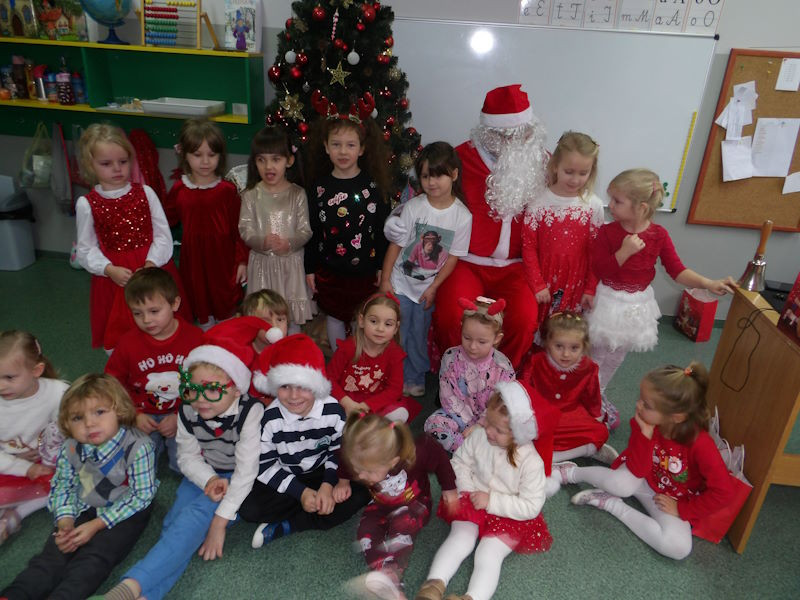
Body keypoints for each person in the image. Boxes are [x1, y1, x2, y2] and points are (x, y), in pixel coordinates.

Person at [102, 317, 265, 600]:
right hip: (203, 473)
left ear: (237, 388)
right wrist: (208, 479)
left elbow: (247, 471)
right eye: (192, 389)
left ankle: (131, 586)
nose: (200, 399)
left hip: (240, 481)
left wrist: (220, 522)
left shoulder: (251, 411)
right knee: (174, 526)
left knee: (192, 520)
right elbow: (187, 457)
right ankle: (148, 596)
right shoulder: (188, 409)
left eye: (212, 389)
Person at [385, 85, 548, 368]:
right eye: (500, 133)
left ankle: (500, 377)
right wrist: (396, 219)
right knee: (451, 315)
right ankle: (456, 375)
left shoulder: (542, 162)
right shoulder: (458, 159)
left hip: (517, 267)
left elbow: (566, 197)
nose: (508, 141)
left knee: (523, 319)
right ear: (486, 130)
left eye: (516, 133)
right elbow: (423, 195)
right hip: (465, 261)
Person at [551, 363, 737, 560]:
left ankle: (610, 504)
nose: (638, 405)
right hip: (640, 476)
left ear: (676, 417)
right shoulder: (646, 420)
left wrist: (682, 509)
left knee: (679, 548)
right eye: (640, 398)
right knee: (620, 485)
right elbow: (637, 468)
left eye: (647, 405)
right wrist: (645, 436)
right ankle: (571, 472)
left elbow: (724, 492)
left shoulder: (701, 444)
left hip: (672, 497)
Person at [1, 374, 157, 600]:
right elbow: (62, 484)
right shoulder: (71, 447)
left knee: (93, 560)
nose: (89, 423)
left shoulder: (139, 446)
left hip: (125, 510)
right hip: (85, 504)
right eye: (77, 418)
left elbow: (141, 496)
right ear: (66, 423)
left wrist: (96, 525)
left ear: (119, 411)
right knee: (51, 557)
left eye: (99, 412)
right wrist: (65, 521)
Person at [588, 168, 736, 393]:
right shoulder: (607, 232)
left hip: (636, 305)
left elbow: (677, 271)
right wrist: (624, 252)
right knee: (596, 355)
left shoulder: (659, 235)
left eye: (617, 201)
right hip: (608, 301)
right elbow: (599, 269)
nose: (610, 205)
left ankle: (599, 392)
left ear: (641, 208)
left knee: (616, 357)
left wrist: (708, 283)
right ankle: (585, 393)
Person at [416, 381, 552, 600]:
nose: (488, 430)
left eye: (498, 430)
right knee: (461, 538)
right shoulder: (480, 435)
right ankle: (433, 585)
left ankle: (473, 597)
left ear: (518, 434)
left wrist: (492, 501)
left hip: (510, 514)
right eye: (488, 421)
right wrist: (468, 491)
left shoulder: (531, 462)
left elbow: (531, 505)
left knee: (488, 554)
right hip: (473, 498)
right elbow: (459, 463)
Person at [239, 334, 371, 547]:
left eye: (302, 386)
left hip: (323, 471)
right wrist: (300, 493)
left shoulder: (333, 411)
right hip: (287, 474)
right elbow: (265, 465)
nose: (293, 396)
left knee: (363, 491)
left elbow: (339, 451)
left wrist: (328, 484)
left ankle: (292, 524)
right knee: (249, 508)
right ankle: (312, 504)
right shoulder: (269, 419)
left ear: (316, 386)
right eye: (285, 386)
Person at [75, 123, 190, 352]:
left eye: (123, 161)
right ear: (90, 165)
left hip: (152, 268)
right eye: (106, 164)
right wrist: (108, 269)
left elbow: (162, 234)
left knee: (165, 324)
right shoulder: (87, 204)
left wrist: (152, 263)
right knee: (124, 334)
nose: (117, 169)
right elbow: (85, 249)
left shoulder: (145, 192)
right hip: (116, 278)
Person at [380, 142, 472, 398]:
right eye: (425, 176)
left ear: (454, 174)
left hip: (425, 289)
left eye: (438, 175)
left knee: (418, 334)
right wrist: (385, 280)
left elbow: (452, 258)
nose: (431, 182)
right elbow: (396, 246)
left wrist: (434, 287)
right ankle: (393, 376)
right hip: (400, 283)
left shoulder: (462, 216)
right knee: (396, 331)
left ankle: (414, 376)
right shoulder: (414, 207)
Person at [339, 412, 458, 600]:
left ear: (393, 461)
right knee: (365, 530)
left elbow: (439, 457)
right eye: (358, 469)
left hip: (415, 504)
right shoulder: (360, 456)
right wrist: (343, 481)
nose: (361, 476)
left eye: (368, 471)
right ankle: (383, 574)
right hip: (380, 503)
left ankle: (392, 578)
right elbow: (345, 459)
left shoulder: (416, 453)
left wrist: (449, 489)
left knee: (401, 530)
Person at [305, 106, 391, 351]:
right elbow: (312, 230)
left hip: (365, 271)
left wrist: (381, 267)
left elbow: (382, 232)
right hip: (330, 271)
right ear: (326, 147)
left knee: (360, 318)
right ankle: (338, 359)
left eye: (350, 145)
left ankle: (358, 361)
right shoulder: (318, 188)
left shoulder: (373, 187)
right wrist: (309, 268)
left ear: (361, 149)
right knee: (334, 316)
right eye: (336, 144)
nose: (343, 151)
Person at [104, 267, 203, 471]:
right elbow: (112, 384)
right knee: (139, 466)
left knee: (184, 466)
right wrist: (134, 414)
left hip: (184, 411)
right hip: (142, 414)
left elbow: (204, 384)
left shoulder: (196, 339)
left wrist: (181, 415)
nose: (147, 320)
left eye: (154, 311)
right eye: (137, 313)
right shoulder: (128, 343)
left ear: (175, 304)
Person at [519, 313, 618, 496]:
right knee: (525, 435)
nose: (566, 354)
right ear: (547, 342)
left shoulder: (589, 367)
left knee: (600, 432)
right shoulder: (536, 362)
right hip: (542, 416)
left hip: (572, 416)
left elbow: (592, 398)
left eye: (574, 348)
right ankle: (549, 458)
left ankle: (568, 454)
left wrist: (596, 418)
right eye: (559, 346)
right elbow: (524, 391)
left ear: (584, 347)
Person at [163, 118, 248, 329]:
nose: (205, 162)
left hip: (223, 263)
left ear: (220, 156)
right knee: (202, 312)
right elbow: (164, 221)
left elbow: (240, 230)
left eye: (212, 155)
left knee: (226, 314)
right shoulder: (179, 190)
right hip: (194, 264)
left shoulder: (227, 191)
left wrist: (242, 262)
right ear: (184, 154)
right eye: (197, 155)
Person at [522, 131, 603, 330]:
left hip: (576, 284)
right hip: (544, 281)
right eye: (569, 171)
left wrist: (590, 288)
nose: (575, 180)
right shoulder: (538, 203)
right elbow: (529, 247)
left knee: (567, 332)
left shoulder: (593, 205)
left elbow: (596, 252)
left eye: (583, 173)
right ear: (555, 166)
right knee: (541, 330)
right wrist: (537, 284)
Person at [238, 126, 314, 333]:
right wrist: (262, 242)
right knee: (262, 318)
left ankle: (292, 348)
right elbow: (245, 229)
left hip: (290, 265)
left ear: (289, 160)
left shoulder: (297, 194)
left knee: (291, 317)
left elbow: (305, 230)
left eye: (275, 159)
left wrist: (289, 243)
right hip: (262, 266)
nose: (268, 166)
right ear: (254, 162)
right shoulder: (250, 195)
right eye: (261, 160)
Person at [0, 331, 68, 545]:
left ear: (36, 371)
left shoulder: (58, 393)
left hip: (47, 464)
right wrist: (23, 467)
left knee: (70, 480)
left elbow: (72, 431)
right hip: (8, 464)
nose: (1, 385)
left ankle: (17, 514)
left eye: (9, 377)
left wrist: (49, 456)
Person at [424, 297, 514, 454]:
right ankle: (469, 450)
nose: (472, 346)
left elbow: (503, 403)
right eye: (467, 338)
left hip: (490, 421)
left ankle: (473, 449)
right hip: (456, 417)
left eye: (481, 342)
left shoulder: (503, 366)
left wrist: (480, 425)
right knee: (432, 425)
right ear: (461, 329)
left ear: (497, 338)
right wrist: (466, 426)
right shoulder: (451, 357)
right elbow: (448, 397)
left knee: (510, 430)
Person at [326, 292, 420, 423]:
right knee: (328, 414)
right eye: (374, 321)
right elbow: (329, 379)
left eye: (388, 324)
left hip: (377, 399)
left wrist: (367, 405)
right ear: (361, 321)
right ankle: (363, 425)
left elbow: (394, 389)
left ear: (396, 328)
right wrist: (346, 402)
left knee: (401, 414)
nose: (380, 329)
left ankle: (368, 425)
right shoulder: (347, 348)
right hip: (347, 399)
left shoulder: (394, 353)